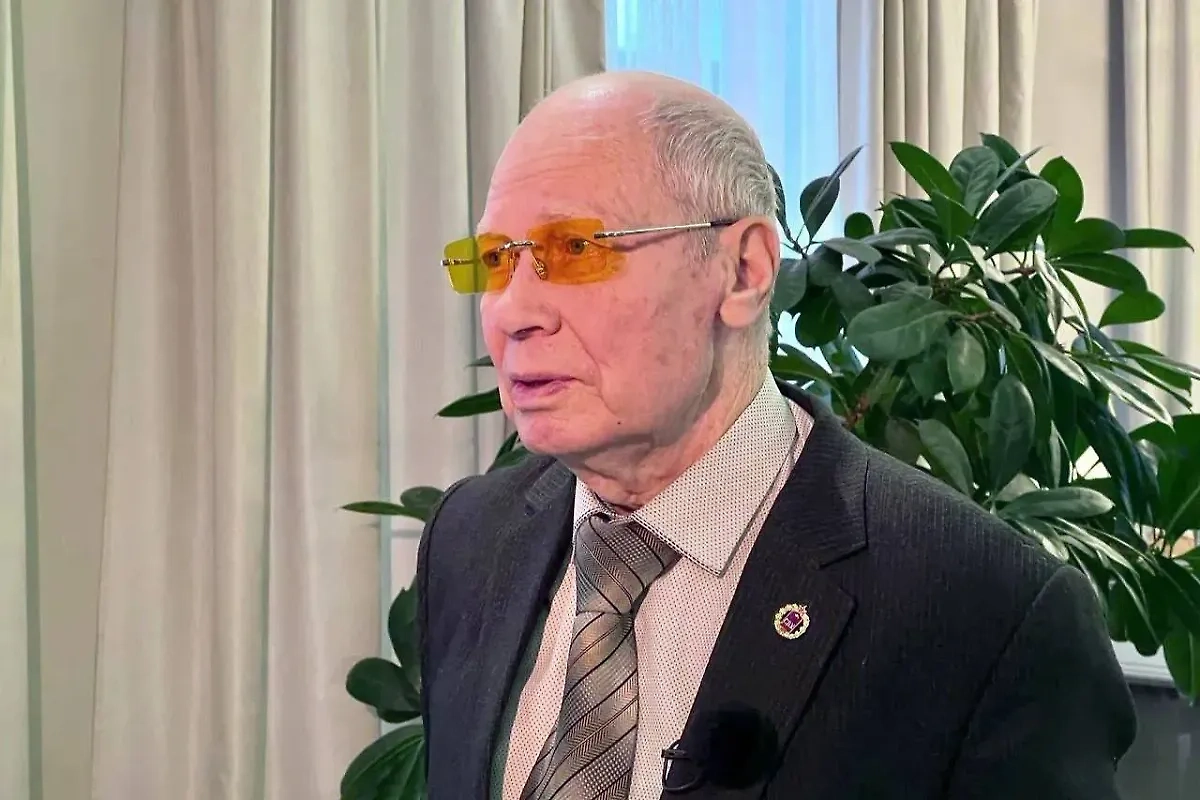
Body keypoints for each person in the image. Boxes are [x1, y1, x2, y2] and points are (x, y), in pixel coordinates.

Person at [417, 71, 1136, 799]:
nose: (513, 312)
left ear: (742, 271)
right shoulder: (469, 539)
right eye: (495, 260)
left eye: (575, 249)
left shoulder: (988, 613)